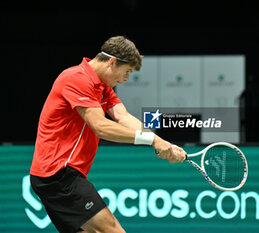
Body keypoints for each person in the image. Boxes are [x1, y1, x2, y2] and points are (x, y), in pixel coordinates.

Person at [29, 36, 186, 233]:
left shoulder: (103, 87)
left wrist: (164, 143)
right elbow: (100, 127)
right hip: (58, 173)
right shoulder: (76, 78)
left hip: (58, 175)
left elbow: (123, 117)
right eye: (126, 71)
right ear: (112, 62)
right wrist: (152, 140)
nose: (127, 78)